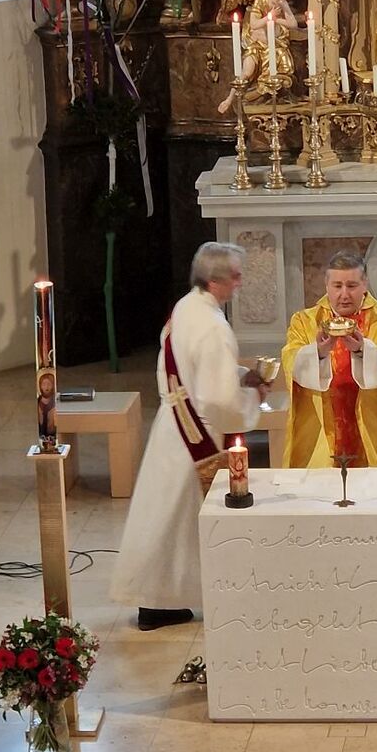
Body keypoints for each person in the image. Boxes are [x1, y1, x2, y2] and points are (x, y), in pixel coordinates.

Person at [111, 242, 267, 631]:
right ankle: (163, 602)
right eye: (235, 275)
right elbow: (218, 398)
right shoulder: (214, 327)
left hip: (173, 422)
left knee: (165, 515)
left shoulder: (185, 307)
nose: (239, 282)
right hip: (197, 430)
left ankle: (157, 600)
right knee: (181, 518)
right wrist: (253, 394)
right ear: (214, 280)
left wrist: (236, 376)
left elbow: (183, 367)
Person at [282, 251, 377, 468]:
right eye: (337, 286)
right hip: (322, 429)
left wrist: (362, 350)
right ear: (326, 285)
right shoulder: (305, 321)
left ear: (364, 285)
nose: (344, 294)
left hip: (371, 426)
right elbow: (290, 360)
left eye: (351, 286)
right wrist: (318, 353)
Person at [217, 0, 298, 114]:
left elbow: (293, 24)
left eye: (282, 0)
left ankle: (270, 96)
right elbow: (254, 25)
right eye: (276, 0)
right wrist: (269, 17)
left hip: (274, 46)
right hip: (256, 45)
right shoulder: (261, 0)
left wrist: (280, 15)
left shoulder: (281, 4)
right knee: (247, 71)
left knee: (283, 65)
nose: (278, 3)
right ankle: (229, 99)